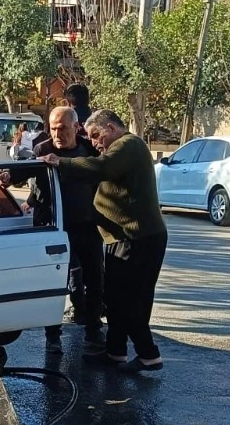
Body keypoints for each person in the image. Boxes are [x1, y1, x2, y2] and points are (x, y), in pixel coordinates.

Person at [37, 109, 167, 373]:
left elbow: (101, 168)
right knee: (115, 297)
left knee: (131, 300)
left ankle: (148, 354)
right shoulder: (118, 147)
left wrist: (60, 162)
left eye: (97, 137)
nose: (95, 144)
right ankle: (115, 352)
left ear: (110, 127)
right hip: (122, 237)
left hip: (138, 238)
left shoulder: (128, 145)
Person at [0, 106, 104, 356]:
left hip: (87, 227)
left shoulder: (89, 149)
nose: (57, 134)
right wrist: (8, 176)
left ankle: (93, 331)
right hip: (52, 229)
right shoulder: (42, 149)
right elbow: (26, 171)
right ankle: (53, 335)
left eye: (63, 128)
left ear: (76, 128)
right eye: (53, 128)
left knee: (94, 281)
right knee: (54, 284)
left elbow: (104, 173)